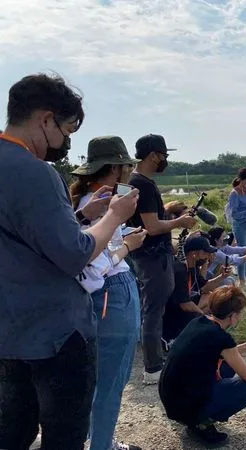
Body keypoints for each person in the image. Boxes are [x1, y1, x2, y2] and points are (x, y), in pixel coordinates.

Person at [0, 73, 139, 450]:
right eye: (65, 129)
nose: (64, 141)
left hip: (9, 331)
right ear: (46, 120)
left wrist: (78, 216)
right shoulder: (37, 173)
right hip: (56, 334)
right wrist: (113, 216)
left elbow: (25, 237)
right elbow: (75, 253)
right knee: (64, 435)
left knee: (13, 429)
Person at [70, 136, 147, 450]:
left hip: (95, 301)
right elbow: (95, 265)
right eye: (126, 166)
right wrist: (129, 246)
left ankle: (97, 440)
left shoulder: (84, 204)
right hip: (111, 296)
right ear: (116, 168)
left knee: (96, 381)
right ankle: (102, 445)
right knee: (111, 383)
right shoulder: (103, 207)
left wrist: (122, 233)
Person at [159, 285, 246, 445]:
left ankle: (199, 413)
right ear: (232, 316)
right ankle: (200, 422)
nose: (241, 316)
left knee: (227, 365)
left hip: (172, 398)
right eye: (240, 313)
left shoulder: (199, 322)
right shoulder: (220, 338)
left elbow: (222, 353)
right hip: (183, 406)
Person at [126, 134, 198, 384]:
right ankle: (153, 367)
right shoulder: (142, 184)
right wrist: (180, 222)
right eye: (164, 155)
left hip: (146, 256)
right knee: (153, 311)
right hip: (152, 257)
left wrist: (168, 212)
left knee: (153, 308)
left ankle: (155, 361)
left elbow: (146, 218)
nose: (165, 160)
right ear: (154, 155)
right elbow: (152, 226)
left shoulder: (135, 181)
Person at [162, 232, 232, 347]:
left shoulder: (191, 267)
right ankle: (178, 336)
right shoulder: (180, 270)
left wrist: (222, 276)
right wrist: (204, 317)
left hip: (182, 308)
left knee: (210, 297)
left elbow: (204, 287)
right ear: (194, 254)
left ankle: (201, 325)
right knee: (202, 313)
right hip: (172, 314)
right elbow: (185, 304)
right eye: (205, 253)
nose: (206, 257)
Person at [225, 168, 246, 289]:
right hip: (240, 226)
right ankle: (242, 281)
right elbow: (234, 214)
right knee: (242, 251)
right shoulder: (234, 194)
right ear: (241, 180)